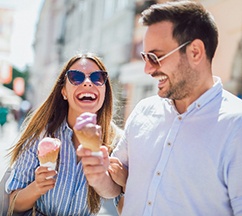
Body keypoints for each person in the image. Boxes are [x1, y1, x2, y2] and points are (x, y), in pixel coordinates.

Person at [78, 1, 242, 215]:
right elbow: (115, 186)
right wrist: (99, 175)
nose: (148, 69)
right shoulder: (143, 111)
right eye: (146, 58)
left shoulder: (236, 126)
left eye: (155, 57)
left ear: (195, 52)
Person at [6, 52, 122, 215]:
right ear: (64, 92)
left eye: (97, 77)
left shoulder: (116, 142)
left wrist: (105, 181)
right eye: (76, 77)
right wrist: (37, 187)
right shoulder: (42, 134)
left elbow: (125, 202)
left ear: (105, 91)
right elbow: (13, 203)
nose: (88, 83)